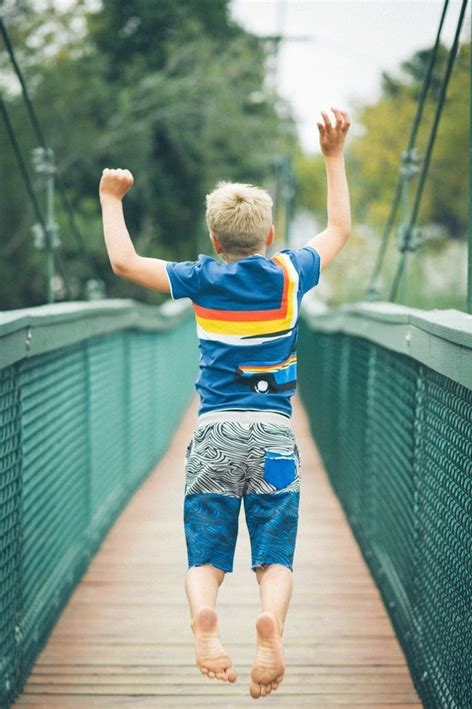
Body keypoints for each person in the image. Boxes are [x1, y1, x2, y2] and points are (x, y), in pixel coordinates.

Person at [99, 107, 351, 699]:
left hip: (214, 433)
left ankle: (204, 616)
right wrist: (333, 157)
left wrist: (113, 198)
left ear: (215, 240)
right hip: (274, 435)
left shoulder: (200, 277)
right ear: (268, 237)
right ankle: (272, 625)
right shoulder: (290, 272)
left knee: (207, 551)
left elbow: (123, 263)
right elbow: (338, 228)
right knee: (275, 553)